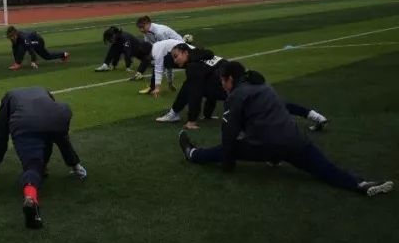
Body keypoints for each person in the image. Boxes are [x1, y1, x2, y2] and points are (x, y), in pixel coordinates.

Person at [177, 61, 392, 197]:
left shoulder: (236, 96)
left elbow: (230, 134)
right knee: (326, 169)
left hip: (267, 145)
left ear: (230, 79)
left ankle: (193, 154)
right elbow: (281, 109)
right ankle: (360, 184)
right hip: (295, 140)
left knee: (224, 148)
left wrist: (227, 161)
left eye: (223, 81)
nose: (222, 85)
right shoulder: (263, 86)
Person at [0, 86, 87, 229]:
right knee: (57, 136)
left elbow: (1, 136)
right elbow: (60, 138)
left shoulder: (10, 96)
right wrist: (75, 165)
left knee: (32, 166)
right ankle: (77, 170)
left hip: (25, 121)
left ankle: (31, 197)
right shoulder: (44, 91)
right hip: (60, 113)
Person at [155, 43, 224, 130]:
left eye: (176, 56)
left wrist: (191, 121)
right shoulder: (204, 57)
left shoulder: (193, 66)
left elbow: (196, 94)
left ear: (185, 53)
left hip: (227, 91)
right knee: (199, 82)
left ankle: (174, 114)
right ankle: (174, 113)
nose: (175, 61)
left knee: (190, 86)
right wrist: (207, 115)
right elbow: (213, 79)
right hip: (235, 87)